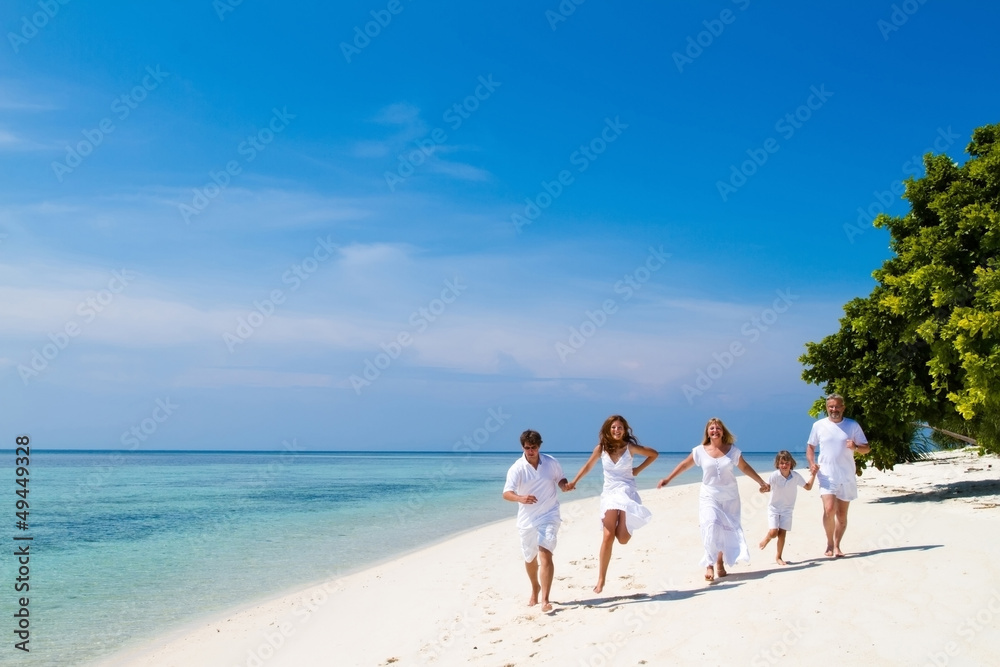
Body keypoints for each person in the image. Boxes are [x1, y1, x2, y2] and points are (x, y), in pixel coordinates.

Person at [657, 417, 769, 581]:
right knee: (710, 526)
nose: (715, 431)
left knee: (724, 529)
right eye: (712, 429)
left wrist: (761, 481)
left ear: (723, 431)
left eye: (718, 428)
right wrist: (668, 479)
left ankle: (719, 562)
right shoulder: (699, 451)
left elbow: (744, 467)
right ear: (707, 432)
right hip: (709, 494)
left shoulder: (732, 451)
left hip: (730, 496)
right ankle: (709, 564)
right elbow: (684, 465)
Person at [565, 415, 658, 594]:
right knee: (607, 537)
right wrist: (574, 482)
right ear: (608, 429)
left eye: (620, 427)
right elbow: (588, 466)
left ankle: (623, 518)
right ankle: (601, 579)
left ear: (625, 430)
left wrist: (637, 469)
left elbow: (654, 454)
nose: (617, 430)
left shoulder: (630, 447)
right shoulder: (601, 449)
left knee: (622, 539)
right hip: (609, 493)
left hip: (626, 490)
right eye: (613, 427)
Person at [502, 429, 570, 612]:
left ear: (539, 446)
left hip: (549, 514)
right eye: (526, 448)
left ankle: (545, 600)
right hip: (527, 520)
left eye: (533, 447)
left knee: (545, 552)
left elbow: (560, 479)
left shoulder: (551, 463)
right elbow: (506, 493)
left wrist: (565, 486)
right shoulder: (517, 468)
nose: (530, 451)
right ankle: (535, 587)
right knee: (529, 558)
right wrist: (520, 498)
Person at [806, 393, 870, 557]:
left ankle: (837, 545)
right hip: (826, 474)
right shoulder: (818, 426)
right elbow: (811, 447)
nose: (834, 409)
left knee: (841, 515)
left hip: (847, 475)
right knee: (829, 509)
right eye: (830, 407)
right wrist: (812, 463)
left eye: (837, 406)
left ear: (843, 407)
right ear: (827, 408)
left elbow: (866, 448)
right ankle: (829, 543)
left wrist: (855, 446)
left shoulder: (852, 425)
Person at [758, 450, 817, 565]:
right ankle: (767, 538)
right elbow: (766, 488)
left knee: (782, 534)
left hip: (788, 509)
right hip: (774, 508)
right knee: (774, 532)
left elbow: (808, 487)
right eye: (782, 463)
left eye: (787, 463)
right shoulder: (774, 476)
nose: (784, 465)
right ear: (778, 464)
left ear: (791, 463)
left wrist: (813, 475)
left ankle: (779, 557)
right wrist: (762, 489)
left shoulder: (795, 476)